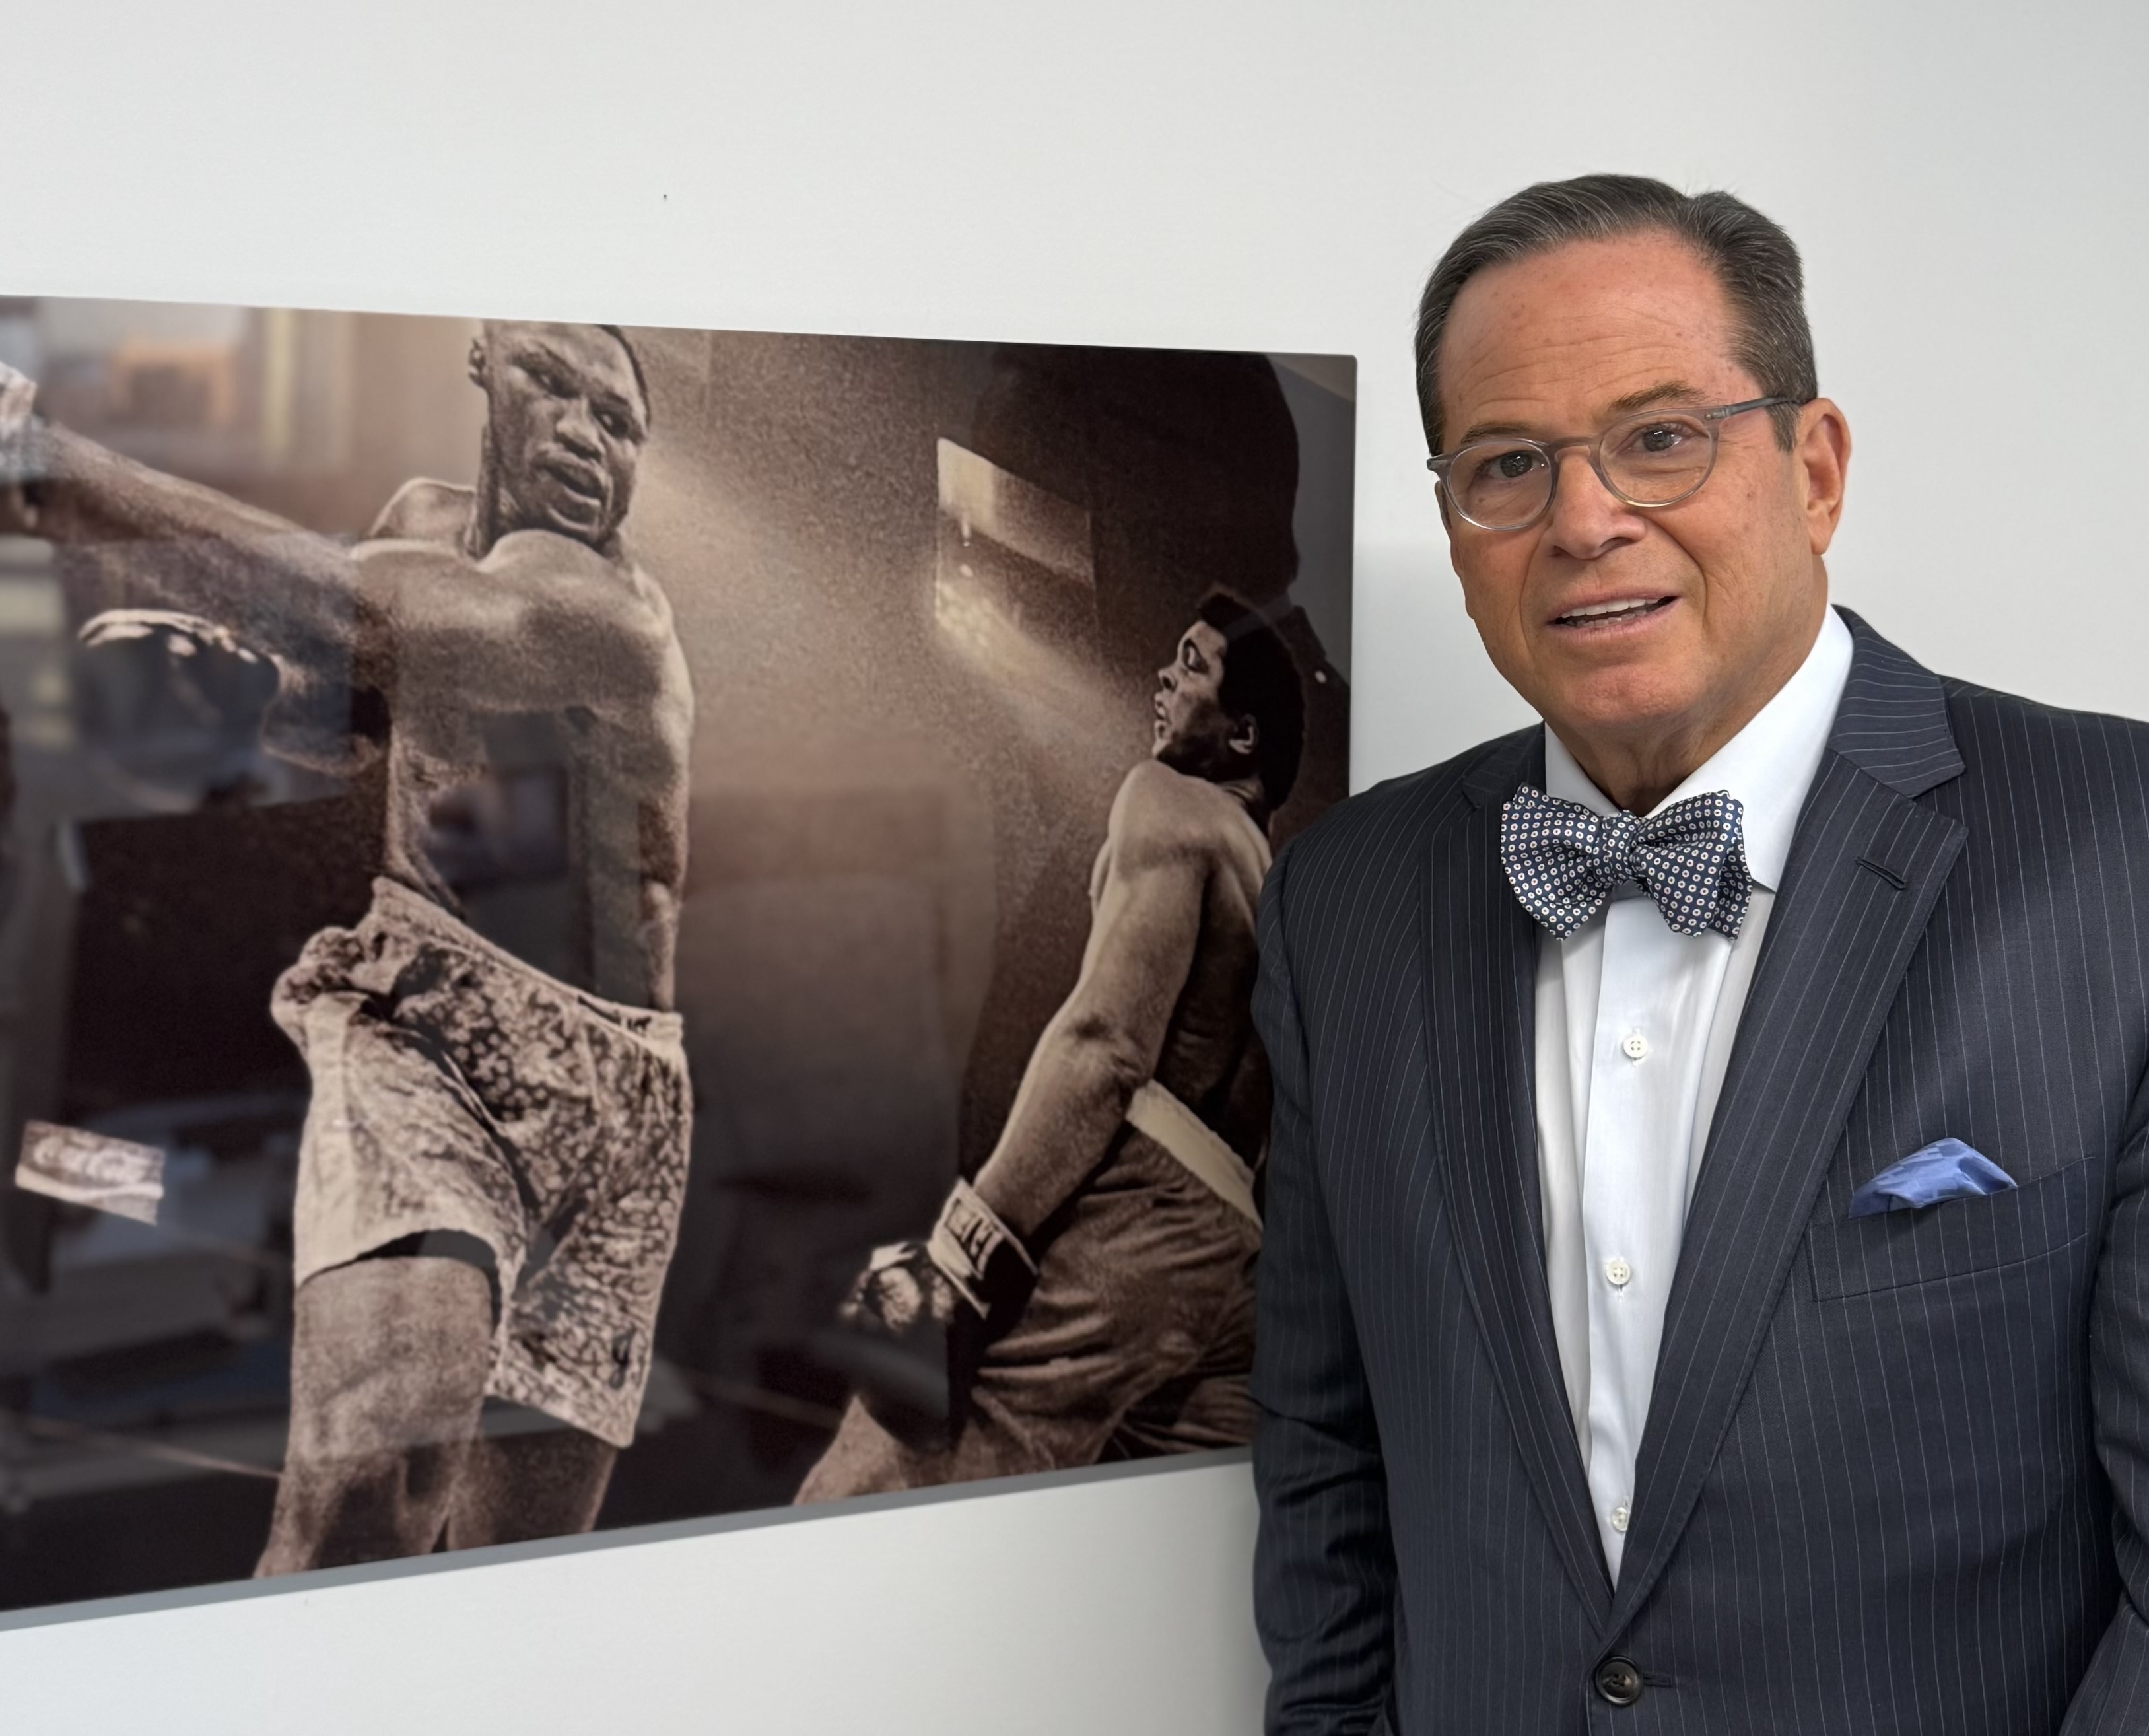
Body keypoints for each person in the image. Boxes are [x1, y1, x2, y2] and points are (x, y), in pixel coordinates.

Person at [1251, 174, 2149, 1734]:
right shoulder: (1341, 896)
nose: (1584, 517)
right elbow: (1322, 1459)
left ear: (1812, 470)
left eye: (1661, 436)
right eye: (1505, 464)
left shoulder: (2117, 845)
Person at [0, 322, 695, 1571]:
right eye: (553, 385)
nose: (590, 437)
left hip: (626, 1105)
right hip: (433, 1034)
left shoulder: (606, 611)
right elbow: (345, 723)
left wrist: (46, 459)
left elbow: (342, 606)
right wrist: (230, 692)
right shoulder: (422, 522)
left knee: (510, 1589)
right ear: (482, 364)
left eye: (621, 422)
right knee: (370, 1497)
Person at [797, 593, 1304, 1497]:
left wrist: (962, 1252)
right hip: (1234, 1269)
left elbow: (1106, 1045)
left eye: (1192, 664)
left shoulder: (1168, 800)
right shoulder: (1288, 895)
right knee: (1140, 1541)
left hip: (1136, 1213)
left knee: (882, 1481)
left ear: (1241, 735)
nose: (1163, 675)